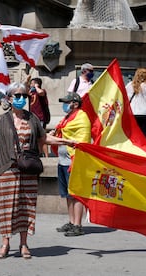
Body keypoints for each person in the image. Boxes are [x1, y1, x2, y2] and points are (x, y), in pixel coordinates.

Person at [0, 82, 75, 259]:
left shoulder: (33, 119)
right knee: (7, 207)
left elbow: (44, 137)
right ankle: (5, 243)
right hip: (7, 169)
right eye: (17, 96)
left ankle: (24, 244)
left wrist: (66, 142)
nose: (21, 99)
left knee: (27, 206)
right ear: (9, 98)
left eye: (24, 96)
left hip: (28, 169)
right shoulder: (2, 120)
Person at [52, 92, 91, 236]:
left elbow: (81, 139)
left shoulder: (82, 117)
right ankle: (71, 221)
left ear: (75, 104)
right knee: (67, 194)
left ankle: (78, 225)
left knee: (76, 193)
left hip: (74, 160)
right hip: (63, 160)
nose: (64, 104)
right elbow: (61, 131)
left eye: (66, 102)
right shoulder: (67, 118)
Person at [26, 76, 51, 157]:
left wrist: (36, 86)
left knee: (42, 137)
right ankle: (39, 153)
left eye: (32, 83)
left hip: (40, 118)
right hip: (32, 117)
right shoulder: (31, 93)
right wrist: (27, 81)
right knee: (34, 137)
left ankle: (46, 155)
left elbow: (40, 93)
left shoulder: (42, 91)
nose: (31, 85)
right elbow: (24, 90)